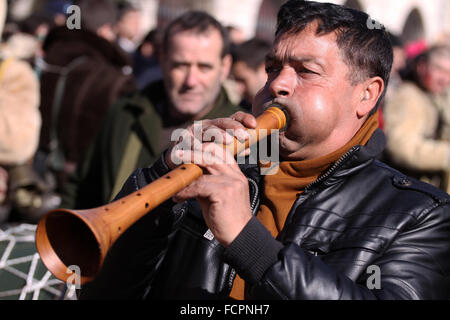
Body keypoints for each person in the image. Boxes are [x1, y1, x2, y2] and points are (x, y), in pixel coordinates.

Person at [79, 1, 450, 300]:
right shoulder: (217, 171)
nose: (278, 85)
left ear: (366, 95)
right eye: (273, 68)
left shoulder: (421, 215)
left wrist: (247, 239)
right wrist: (160, 181)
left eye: (306, 71)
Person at [61, 11, 240, 211]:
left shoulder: (243, 137)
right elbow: (83, 189)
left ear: (225, 67)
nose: (191, 81)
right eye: (180, 65)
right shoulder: (125, 112)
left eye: (204, 67)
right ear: (162, 60)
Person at [36, 0, 136, 192]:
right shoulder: (112, 78)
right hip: (83, 185)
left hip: (38, 169)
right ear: (106, 30)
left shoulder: (45, 59)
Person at [383, 45, 450, 191]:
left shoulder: (435, 95)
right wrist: (445, 155)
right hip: (404, 190)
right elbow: (402, 148)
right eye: (438, 69)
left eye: (448, 72)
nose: (444, 79)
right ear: (422, 67)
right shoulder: (408, 97)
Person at [231, 38, 271, 110]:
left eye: (242, 80)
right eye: (235, 80)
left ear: (265, 70)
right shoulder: (240, 110)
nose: (237, 89)